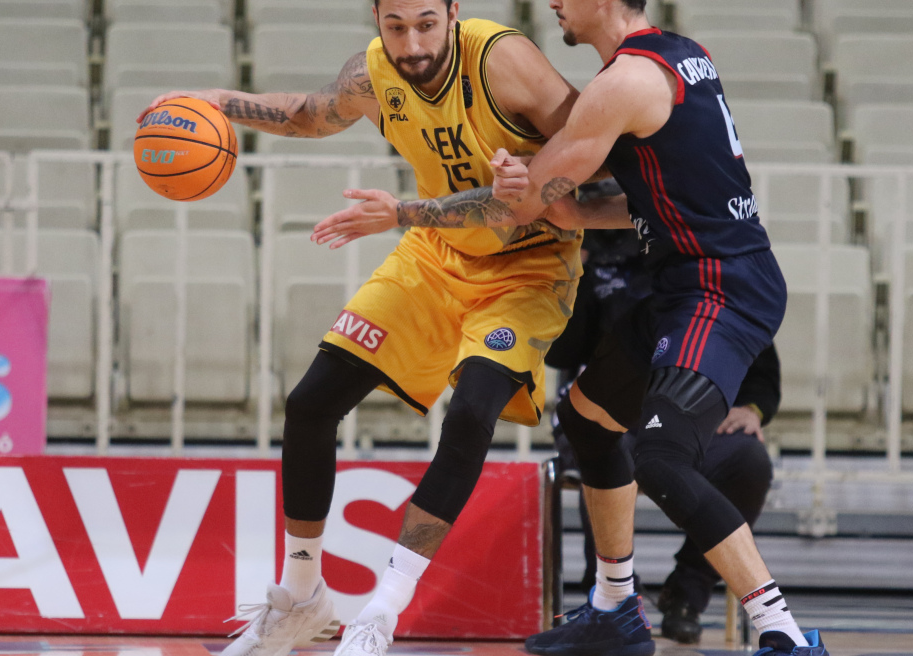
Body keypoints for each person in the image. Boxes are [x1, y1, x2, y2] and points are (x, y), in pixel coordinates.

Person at [306, 0, 830, 655]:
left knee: (663, 457)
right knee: (586, 421)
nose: (553, 1)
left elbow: (521, 205)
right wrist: (569, 208)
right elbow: (636, 199)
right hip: (681, 276)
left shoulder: (623, 85)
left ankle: (782, 633)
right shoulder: (681, 52)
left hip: (717, 284)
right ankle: (615, 608)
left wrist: (453, 200)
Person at [139, 3, 584, 656]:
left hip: (528, 265)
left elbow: (593, 151)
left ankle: (383, 608)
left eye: (427, 23)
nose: (411, 41)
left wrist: (534, 177)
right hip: (436, 253)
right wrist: (216, 101)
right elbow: (307, 115)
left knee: (470, 416)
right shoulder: (373, 74)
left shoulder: (504, 61)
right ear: (376, 17)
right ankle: (300, 596)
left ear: (455, 12)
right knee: (310, 404)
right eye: (395, 24)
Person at [547, 219, 781, 645]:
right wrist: (573, 271)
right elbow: (560, 351)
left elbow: (759, 359)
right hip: (613, 411)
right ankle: (613, 599)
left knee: (747, 461)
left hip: (689, 413)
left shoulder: (703, 258)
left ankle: (687, 595)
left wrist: (753, 409)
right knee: (601, 444)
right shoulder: (593, 258)